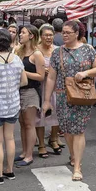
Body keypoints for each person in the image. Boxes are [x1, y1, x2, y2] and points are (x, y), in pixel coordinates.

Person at [43, 19, 96, 181]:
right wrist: (47, 100)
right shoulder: (57, 52)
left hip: (83, 96)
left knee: (79, 130)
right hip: (63, 96)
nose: (65, 35)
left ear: (77, 33)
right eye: (63, 32)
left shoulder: (88, 49)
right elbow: (51, 78)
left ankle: (77, 166)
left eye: (68, 32)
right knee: (67, 131)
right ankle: (73, 154)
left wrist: (85, 73)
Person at [0, 29, 27, 184]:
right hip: (13, 104)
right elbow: (24, 82)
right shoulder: (17, 59)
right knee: (10, 138)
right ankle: (10, 170)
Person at [14, 25, 45, 167]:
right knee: (22, 123)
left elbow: (41, 76)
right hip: (18, 90)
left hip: (31, 91)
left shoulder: (37, 54)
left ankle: (29, 155)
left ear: (31, 35)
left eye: (23, 33)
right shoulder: (18, 51)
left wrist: (23, 72)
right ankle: (24, 152)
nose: (20, 35)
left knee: (29, 124)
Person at [36, 23, 62, 158]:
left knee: (57, 113)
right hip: (40, 86)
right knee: (40, 115)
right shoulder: (36, 50)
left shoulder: (58, 50)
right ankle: (41, 144)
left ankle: (53, 138)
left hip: (56, 86)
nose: (48, 37)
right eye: (46, 35)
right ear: (41, 36)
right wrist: (41, 71)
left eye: (51, 35)